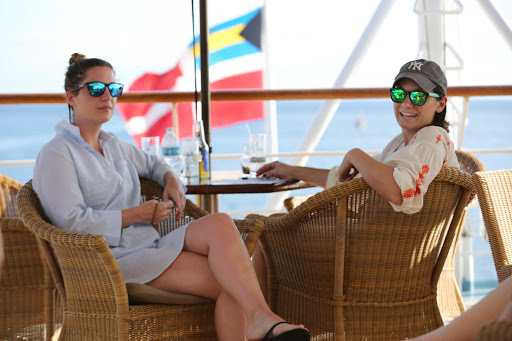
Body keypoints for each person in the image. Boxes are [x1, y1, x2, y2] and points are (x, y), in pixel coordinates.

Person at [32, 53, 310, 341]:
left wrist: (172, 180)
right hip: (110, 262)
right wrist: (136, 216)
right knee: (234, 282)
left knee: (220, 223)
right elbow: (70, 223)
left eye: (113, 89)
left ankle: (259, 321)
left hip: (149, 246)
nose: (107, 96)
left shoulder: (114, 145)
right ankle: (262, 321)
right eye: (96, 89)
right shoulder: (57, 153)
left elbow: (155, 164)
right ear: (71, 97)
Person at [254, 59, 458, 300]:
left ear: (440, 103)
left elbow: (399, 191)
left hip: (378, 264)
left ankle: (263, 322)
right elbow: (350, 181)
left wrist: (355, 154)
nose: (406, 103)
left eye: (418, 97)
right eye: (399, 93)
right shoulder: (404, 144)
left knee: (267, 231)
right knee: (276, 224)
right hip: (381, 254)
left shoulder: (430, 138)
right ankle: (268, 319)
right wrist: (292, 170)